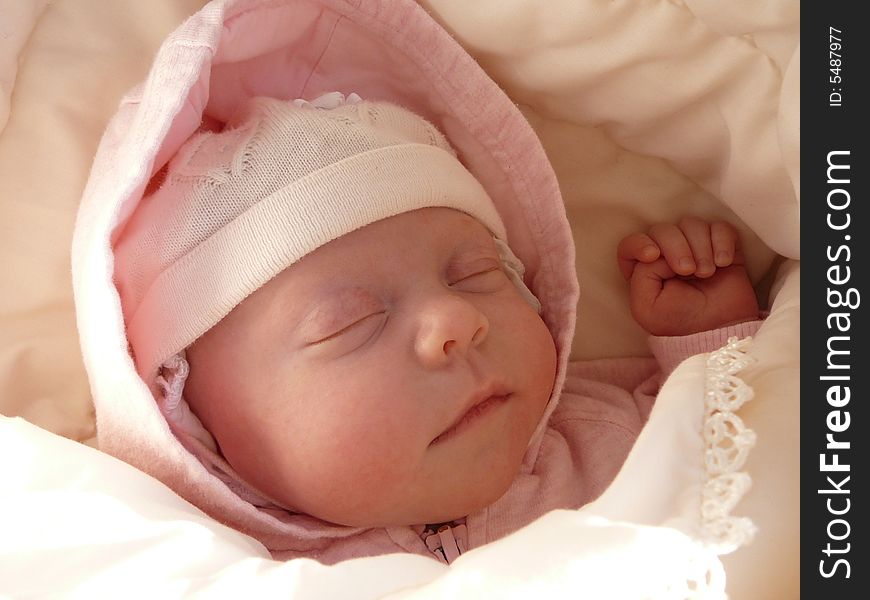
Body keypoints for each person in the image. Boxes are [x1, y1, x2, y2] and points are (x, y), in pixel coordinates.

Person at [112, 92, 763, 563]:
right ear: (197, 430)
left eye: (477, 272)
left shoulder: (620, 433)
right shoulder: (222, 572)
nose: (458, 319)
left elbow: (764, 456)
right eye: (351, 323)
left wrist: (711, 342)